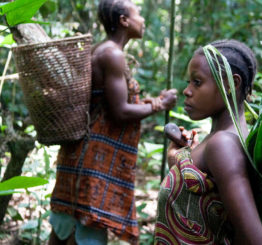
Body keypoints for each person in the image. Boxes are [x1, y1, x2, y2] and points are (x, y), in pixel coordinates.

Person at [48, 0, 177, 244]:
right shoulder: (112, 53)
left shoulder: (102, 49)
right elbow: (120, 111)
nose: (143, 19)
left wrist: (150, 101)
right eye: (138, 13)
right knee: (83, 231)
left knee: (65, 230)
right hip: (92, 160)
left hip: (81, 156)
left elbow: (105, 104)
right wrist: (160, 104)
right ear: (123, 21)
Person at [154, 40, 262, 244]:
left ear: (230, 84)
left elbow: (255, 240)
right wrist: (179, 160)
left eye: (197, 82)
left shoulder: (222, 145)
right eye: (189, 82)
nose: (187, 91)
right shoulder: (220, 139)